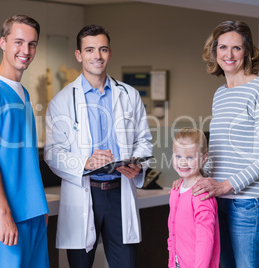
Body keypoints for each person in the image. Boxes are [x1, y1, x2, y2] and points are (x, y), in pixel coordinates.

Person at [44, 24, 153, 268]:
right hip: (84, 190)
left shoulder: (129, 95)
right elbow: (53, 154)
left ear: (110, 53)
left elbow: (144, 141)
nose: (97, 56)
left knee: (125, 263)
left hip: (119, 191)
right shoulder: (61, 101)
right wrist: (85, 162)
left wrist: (137, 164)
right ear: (79, 55)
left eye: (103, 49)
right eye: (90, 50)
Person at [173, 21, 259, 268]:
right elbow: (220, 153)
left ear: (248, 52)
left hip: (248, 203)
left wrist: (225, 186)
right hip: (217, 198)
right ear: (214, 51)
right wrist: (194, 178)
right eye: (222, 47)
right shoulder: (220, 94)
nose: (228, 55)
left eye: (236, 48)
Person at [0, 15, 50, 268]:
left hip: (32, 213)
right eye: (18, 42)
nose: (26, 50)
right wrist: (4, 213)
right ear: (3, 43)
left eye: (32, 44)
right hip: (5, 216)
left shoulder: (23, 93)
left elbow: (24, 158)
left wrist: (39, 206)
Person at [168, 128, 220, 268]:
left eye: (190, 157)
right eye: (178, 156)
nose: (183, 162)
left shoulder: (201, 194)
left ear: (204, 158)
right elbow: (172, 233)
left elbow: (205, 239)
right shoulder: (176, 190)